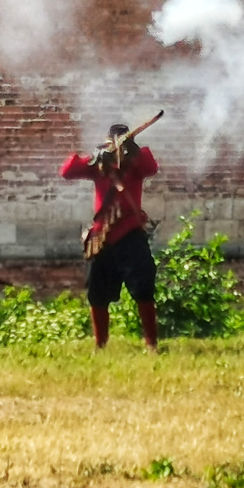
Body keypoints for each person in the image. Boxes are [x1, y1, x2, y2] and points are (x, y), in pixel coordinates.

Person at [61, 123, 162, 351]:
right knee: (97, 292)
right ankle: (100, 345)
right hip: (102, 236)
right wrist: (93, 157)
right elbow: (67, 171)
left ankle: (151, 344)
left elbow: (151, 167)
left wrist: (133, 149)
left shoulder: (135, 163)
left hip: (131, 232)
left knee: (144, 286)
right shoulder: (99, 165)